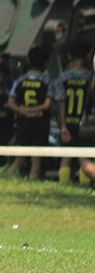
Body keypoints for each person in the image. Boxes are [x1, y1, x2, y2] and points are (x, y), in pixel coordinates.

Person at [52, 39, 93, 185]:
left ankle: (63, 183)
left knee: (66, 155)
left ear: (69, 56)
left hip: (68, 120)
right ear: (88, 56)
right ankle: (84, 184)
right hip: (84, 122)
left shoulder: (63, 77)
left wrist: (62, 125)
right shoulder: (89, 77)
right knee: (85, 154)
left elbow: (61, 100)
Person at [8, 45, 52, 180]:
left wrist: (24, 112)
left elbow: (10, 103)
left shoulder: (20, 80)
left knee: (20, 156)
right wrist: (34, 111)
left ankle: (7, 178)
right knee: (36, 157)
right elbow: (47, 105)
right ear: (46, 63)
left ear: (28, 61)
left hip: (23, 123)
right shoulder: (46, 81)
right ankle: (33, 181)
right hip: (40, 123)